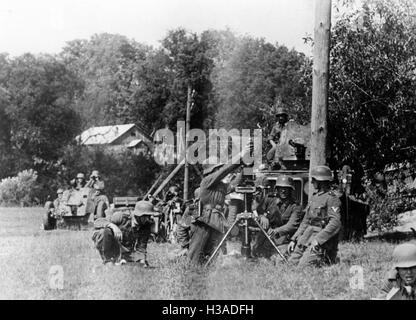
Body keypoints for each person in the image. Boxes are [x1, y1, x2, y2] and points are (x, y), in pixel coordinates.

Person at [187, 144, 251, 265]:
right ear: (212, 171)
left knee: (211, 257)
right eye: (218, 169)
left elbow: (236, 183)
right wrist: (240, 155)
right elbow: (224, 171)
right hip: (204, 223)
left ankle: (203, 278)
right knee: (195, 257)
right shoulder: (206, 182)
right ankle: (190, 277)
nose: (221, 171)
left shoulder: (220, 186)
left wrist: (247, 163)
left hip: (216, 224)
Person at [287, 165, 342, 267]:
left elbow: (335, 223)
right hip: (308, 235)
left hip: (323, 240)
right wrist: (294, 239)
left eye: (314, 180)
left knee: (303, 267)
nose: (311, 182)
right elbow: (305, 221)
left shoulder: (332, 199)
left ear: (321, 181)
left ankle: (325, 260)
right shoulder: (314, 197)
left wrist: (318, 239)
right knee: (290, 264)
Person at [92, 200, 159, 266]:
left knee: (138, 264)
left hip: (124, 249)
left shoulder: (145, 226)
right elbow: (97, 222)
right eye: (146, 216)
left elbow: (141, 248)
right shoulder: (121, 216)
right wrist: (112, 226)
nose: (149, 219)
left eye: (149, 216)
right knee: (105, 231)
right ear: (139, 215)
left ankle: (119, 260)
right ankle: (108, 261)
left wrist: (142, 261)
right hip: (110, 244)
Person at [251, 175, 303, 258]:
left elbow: (291, 225)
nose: (283, 191)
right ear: (277, 189)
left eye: (286, 188)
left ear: (290, 190)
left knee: (278, 257)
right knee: (256, 253)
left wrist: (276, 231)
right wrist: (262, 217)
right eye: (280, 188)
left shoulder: (295, 206)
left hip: (284, 236)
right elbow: (258, 211)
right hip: (267, 234)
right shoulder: (269, 199)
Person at [174, 187, 200, 257]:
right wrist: (186, 244)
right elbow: (184, 225)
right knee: (187, 252)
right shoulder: (192, 208)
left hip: (190, 233)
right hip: (185, 234)